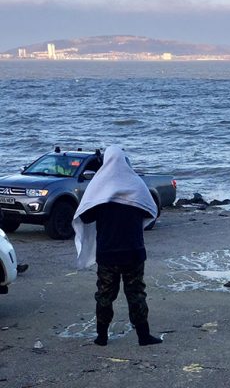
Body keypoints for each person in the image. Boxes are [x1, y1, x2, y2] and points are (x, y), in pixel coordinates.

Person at [72, 145, 162, 346]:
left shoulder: (99, 189)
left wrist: (100, 202)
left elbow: (85, 217)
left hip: (108, 253)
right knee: (136, 294)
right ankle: (143, 336)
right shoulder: (136, 186)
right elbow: (151, 211)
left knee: (104, 295)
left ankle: (102, 337)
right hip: (134, 251)